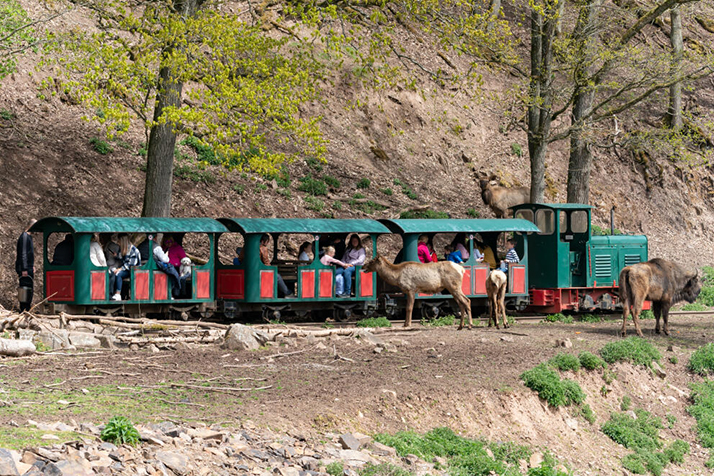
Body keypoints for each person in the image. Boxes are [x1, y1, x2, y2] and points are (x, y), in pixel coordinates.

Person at [111, 234, 141, 301]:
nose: (118, 243)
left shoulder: (133, 250)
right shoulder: (124, 249)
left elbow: (131, 264)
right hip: (127, 269)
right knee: (114, 272)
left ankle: (118, 294)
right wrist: (116, 256)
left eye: (119, 242)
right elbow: (122, 258)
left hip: (134, 271)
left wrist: (120, 269)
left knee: (119, 274)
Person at [16, 219, 36, 312]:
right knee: (25, 288)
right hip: (24, 268)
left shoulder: (28, 237)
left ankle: (27, 308)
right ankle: (24, 309)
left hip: (28, 266)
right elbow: (23, 253)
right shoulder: (24, 236)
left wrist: (32, 265)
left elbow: (29, 253)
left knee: (29, 288)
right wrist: (24, 268)